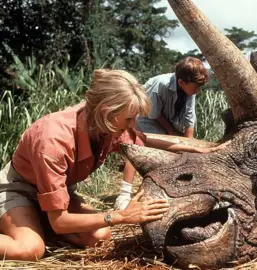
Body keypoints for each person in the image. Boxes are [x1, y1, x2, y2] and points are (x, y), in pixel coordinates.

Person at [0, 69, 170, 261]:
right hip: (19, 189)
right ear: (107, 111)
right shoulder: (53, 140)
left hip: (59, 193)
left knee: (99, 236)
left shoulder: (106, 125)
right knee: (30, 249)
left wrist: (197, 149)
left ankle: (35, 224)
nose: (132, 125)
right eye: (129, 119)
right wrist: (120, 216)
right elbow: (59, 221)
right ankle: (27, 226)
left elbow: (143, 142)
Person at [115, 56, 214, 211]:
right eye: (196, 87)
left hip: (167, 121)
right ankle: (124, 195)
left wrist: (189, 143)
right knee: (138, 146)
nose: (198, 91)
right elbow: (154, 114)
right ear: (181, 83)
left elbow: (189, 116)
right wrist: (172, 134)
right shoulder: (160, 85)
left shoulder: (190, 89)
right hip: (145, 118)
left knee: (180, 149)